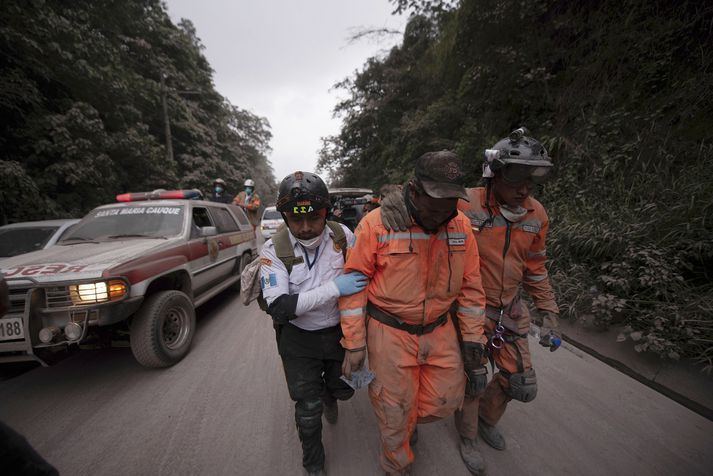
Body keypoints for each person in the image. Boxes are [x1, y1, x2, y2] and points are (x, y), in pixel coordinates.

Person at [380, 128, 562, 472]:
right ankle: (467, 438)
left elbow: (535, 268)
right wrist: (390, 194)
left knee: (520, 383)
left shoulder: (536, 215)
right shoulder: (465, 202)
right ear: (493, 175)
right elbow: (421, 200)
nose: (523, 189)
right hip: (465, 310)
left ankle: (485, 421)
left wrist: (549, 310)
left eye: (530, 181)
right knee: (472, 377)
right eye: (516, 179)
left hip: (510, 308)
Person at [339, 151, 488, 475]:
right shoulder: (377, 224)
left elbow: (472, 286)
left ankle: (407, 420)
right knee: (395, 412)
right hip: (389, 332)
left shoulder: (460, 225)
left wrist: (474, 335)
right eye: (435, 202)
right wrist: (354, 343)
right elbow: (353, 285)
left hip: (439, 328)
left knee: (446, 400)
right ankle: (396, 465)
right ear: (414, 190)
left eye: (450, 202)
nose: (442, 213)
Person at [260, 171, 368, 476]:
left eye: (314, 217)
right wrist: (334, 289)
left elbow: (368, 275)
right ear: (285, 217)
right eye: (295, 220)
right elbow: (280, 307)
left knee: (343, 389)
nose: (306, 227)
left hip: (338, 334)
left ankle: (329, 393)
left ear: (327, 212)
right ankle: (314, 464)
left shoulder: (343, 236)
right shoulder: (272, 251)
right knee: (308, 410)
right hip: (298, 340)